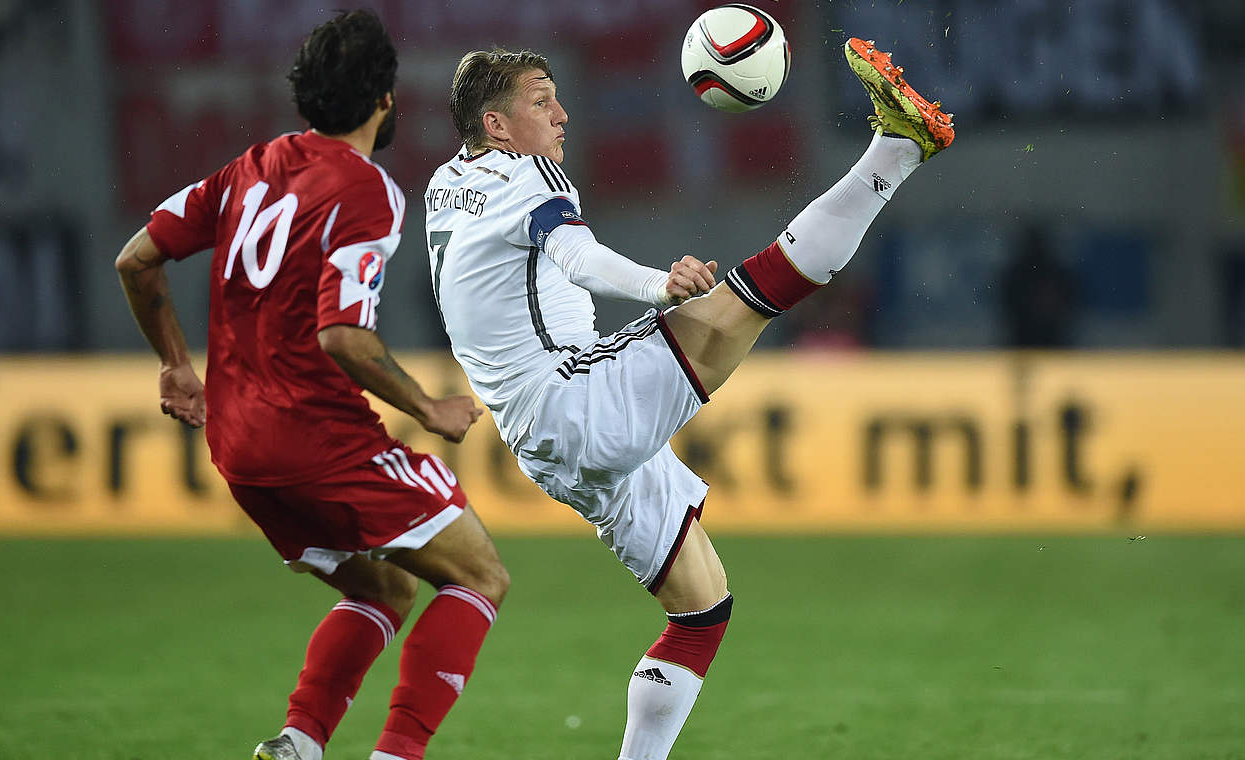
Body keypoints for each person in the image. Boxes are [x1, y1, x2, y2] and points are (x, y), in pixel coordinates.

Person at [425, 38, 953, 759]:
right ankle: (898, 149)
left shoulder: (444, 185)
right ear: (496, 125)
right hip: (571, 398)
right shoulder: (527, 178)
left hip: (542, 440)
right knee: (752, 295)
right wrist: (657, 284)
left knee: (701, 610)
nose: (563, 115)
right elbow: (574, 254)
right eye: (542, 100)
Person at [114, 12, 509, 760]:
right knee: (480, 574)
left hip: (238, 447)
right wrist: (428, 406)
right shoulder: (368, 191)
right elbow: (342, 335)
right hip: (318, 440)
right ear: (385, 97)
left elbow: (136, 258)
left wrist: (174, 362)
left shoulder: (248, 169)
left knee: (383, 591)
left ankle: (298, 744)